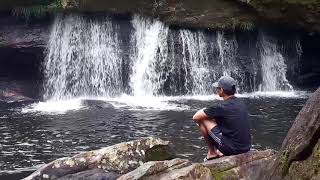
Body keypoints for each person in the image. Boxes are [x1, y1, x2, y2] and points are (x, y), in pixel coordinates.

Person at [193, 76, 251, 161]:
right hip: (246, 147)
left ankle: (212, 152)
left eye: (218, 88)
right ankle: (220, 150)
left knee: (203, 120)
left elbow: (195, 117)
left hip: (234, 149)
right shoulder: (241, 103)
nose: (216, 90)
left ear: (222, 90)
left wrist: (207, 110)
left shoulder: (222, 107)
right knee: (215, 119)